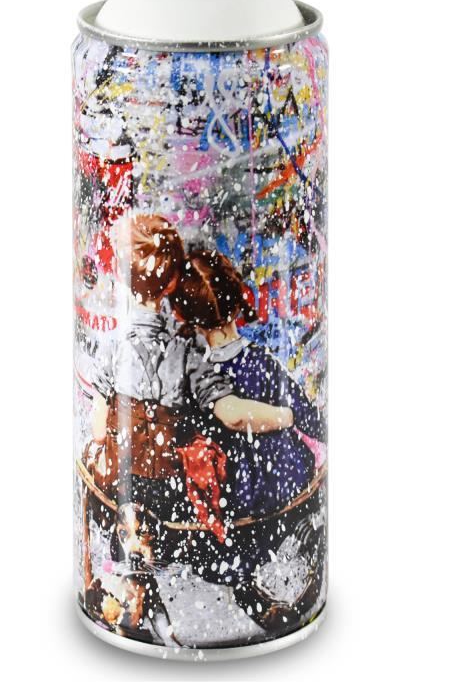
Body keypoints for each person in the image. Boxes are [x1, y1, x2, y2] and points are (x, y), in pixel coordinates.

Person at [89, 215, 293, 524]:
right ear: (172, 284)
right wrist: (285, 415)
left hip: (120, 488)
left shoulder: (113, 349)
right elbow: (231, 413)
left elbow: (98, 433)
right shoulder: (186, 354)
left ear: (121, 275)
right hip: (170, 500)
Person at [170, 248, 327, 631]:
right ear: (236, 302)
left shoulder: (200, 377)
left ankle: (245, 582)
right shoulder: (261, 362)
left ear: (188, 318)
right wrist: (303, 423)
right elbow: (305, 413)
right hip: (281, 476)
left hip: (236, 492)